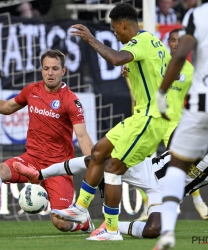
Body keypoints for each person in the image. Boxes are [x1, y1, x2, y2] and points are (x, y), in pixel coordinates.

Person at [50, 2, 176, 241]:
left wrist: (91, 39)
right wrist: (138, 71)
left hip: (150, 119)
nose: (115, 34)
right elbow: (167, 71)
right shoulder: (156, 43)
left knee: (113, 168)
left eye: (115, 30)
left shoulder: (139, 42)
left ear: (122, 24)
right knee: (98, 152)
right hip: (141, 117)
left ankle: (112, 229)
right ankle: (80, 209)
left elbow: (117, 59)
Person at [0, 49, 95, 234]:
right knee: (0, 169)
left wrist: (94, 163)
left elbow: (82, 136)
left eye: (55, 69)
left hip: (58, 168)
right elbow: (7, 107)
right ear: (41, 70)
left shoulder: (71, 101)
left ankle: (84, 222)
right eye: (46, 68)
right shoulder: (32, 90)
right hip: (31, 160)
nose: (50, 73)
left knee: (61, 224)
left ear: (63, 71)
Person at [13, 146, 208, 239]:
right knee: (99, 158)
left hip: (166, 195)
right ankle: (41, 174)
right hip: (150, 169)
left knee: (155, 230)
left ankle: (104, 227)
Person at [154, 1, 208, 249]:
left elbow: (180, 53)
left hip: (204, 101)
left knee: (178, 162)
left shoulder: (197, 15)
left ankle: (167, 232)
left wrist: (162, 92)